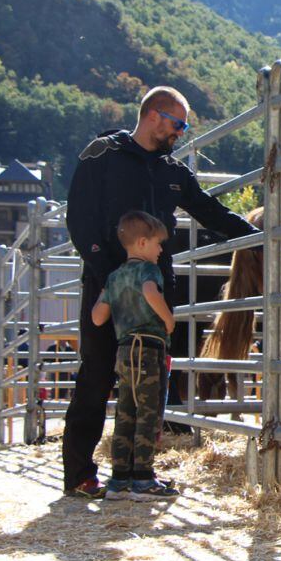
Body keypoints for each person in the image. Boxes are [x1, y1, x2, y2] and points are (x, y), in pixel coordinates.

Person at [63, 86, 281, 498]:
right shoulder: (103, 156)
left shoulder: (173, 172)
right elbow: (79, 220)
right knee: (98, 373)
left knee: (152, 384)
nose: (181, 132)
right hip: (110, 286)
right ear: (154, 116)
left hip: (156, 291)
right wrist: (110, 273)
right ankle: (80, 474)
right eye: (178, 124)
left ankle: (139, 474)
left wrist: (266, 241)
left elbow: (213, 213)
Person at [92, 211, 178, 500]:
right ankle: (143, 478)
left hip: (124, 350)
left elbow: (97, 317)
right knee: (148, 413)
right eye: (157, 244)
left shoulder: (114, 277)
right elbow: (151, 292)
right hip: (148, 348)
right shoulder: (148, 271)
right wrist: (168, 320)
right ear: (142, 243)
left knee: (125, 413)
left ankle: (119, 480)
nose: (160, 250)